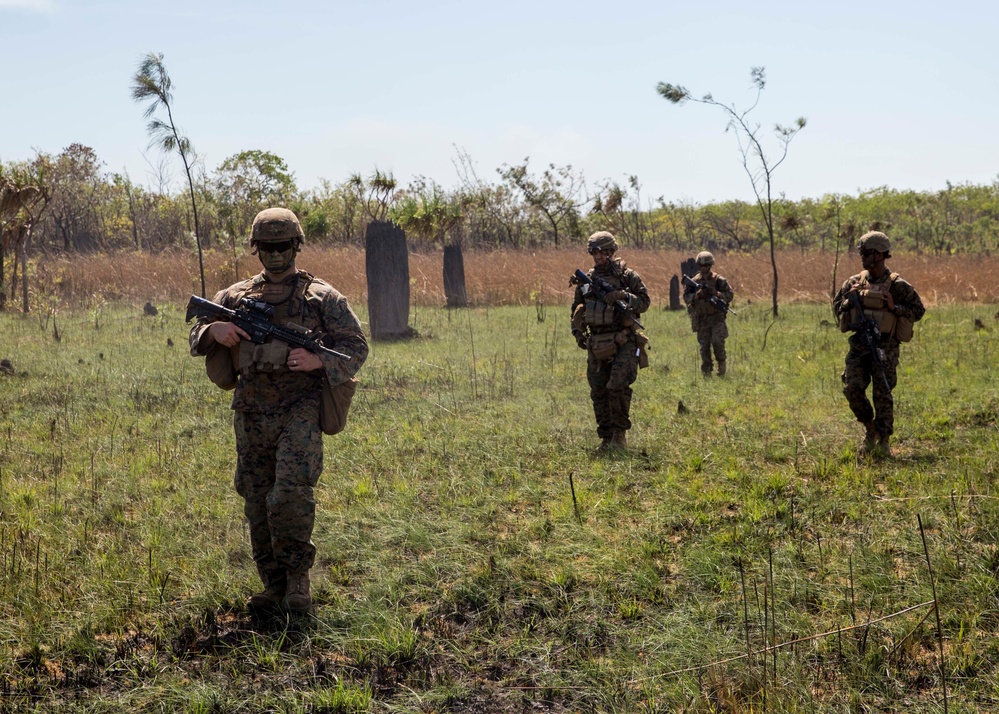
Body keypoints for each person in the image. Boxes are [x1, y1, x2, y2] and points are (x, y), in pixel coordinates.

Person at [189, 207, 368, 613]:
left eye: (283, 246)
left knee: (289, 492)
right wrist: (213, 330)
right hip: (251, 410)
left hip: (299, 408)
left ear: (297, 246)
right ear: (256, 249)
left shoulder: (323, 297)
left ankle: (297, 582)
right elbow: (196, 331)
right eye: (267, 247)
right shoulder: (234, 296)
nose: (275, 255)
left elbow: (357, 348)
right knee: (255, 497)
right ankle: (272, 585)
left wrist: (318, 361)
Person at [833, 231, 924, 457]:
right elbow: (836, 308)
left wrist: (895, 308)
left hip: (885, 348)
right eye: (862, 252)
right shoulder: (853, 282)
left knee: (883, 393)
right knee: (852, 388)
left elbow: (919, 311)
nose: (863, 256)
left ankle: (883, 440)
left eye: (868, 252)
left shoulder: (898, 286)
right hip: (859, 346)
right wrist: (848, 300)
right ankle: (869, 427)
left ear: (882, 254)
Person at [571, 231, 651, 451]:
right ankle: (606, 438)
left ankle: (619, 436)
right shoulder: (586, 280)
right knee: (598, 390)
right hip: (596, 343)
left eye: (602, 252)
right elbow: (576, 308)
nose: (598, 257)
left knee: (617, 386)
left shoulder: (628, 276)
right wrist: (577, 333)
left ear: (612, 251)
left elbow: (644, 302)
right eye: (594, 253)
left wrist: (623, 296)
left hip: (623, 341)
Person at [683, 251, 734, 376]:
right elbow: (686, 297)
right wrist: (697, 295)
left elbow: (730, 295)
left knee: (718, 342)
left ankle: (721, 369)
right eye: (701, 266)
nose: (703, 268)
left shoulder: (719, 280)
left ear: (711, 266)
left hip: (716, 318)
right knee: (704, 347)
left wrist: (716, 294)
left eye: (706, 266)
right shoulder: (694, 281)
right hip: (702, 319)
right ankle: (706, 373)